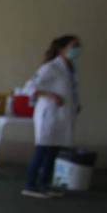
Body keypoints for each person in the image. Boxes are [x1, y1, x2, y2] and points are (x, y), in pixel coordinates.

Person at [22, 35, 81, 198]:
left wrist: (76, 104)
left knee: (53, 151)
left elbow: (70, 90)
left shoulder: (70, 68)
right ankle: (30, 185)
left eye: (78, 46)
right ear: (62, 49)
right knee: (43, 149)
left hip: (62, 116)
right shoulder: (51, 67)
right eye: (74, 46)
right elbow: (29, 87)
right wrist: (51, 95)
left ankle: (45, 184)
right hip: (49, 114)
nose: (77, 49)